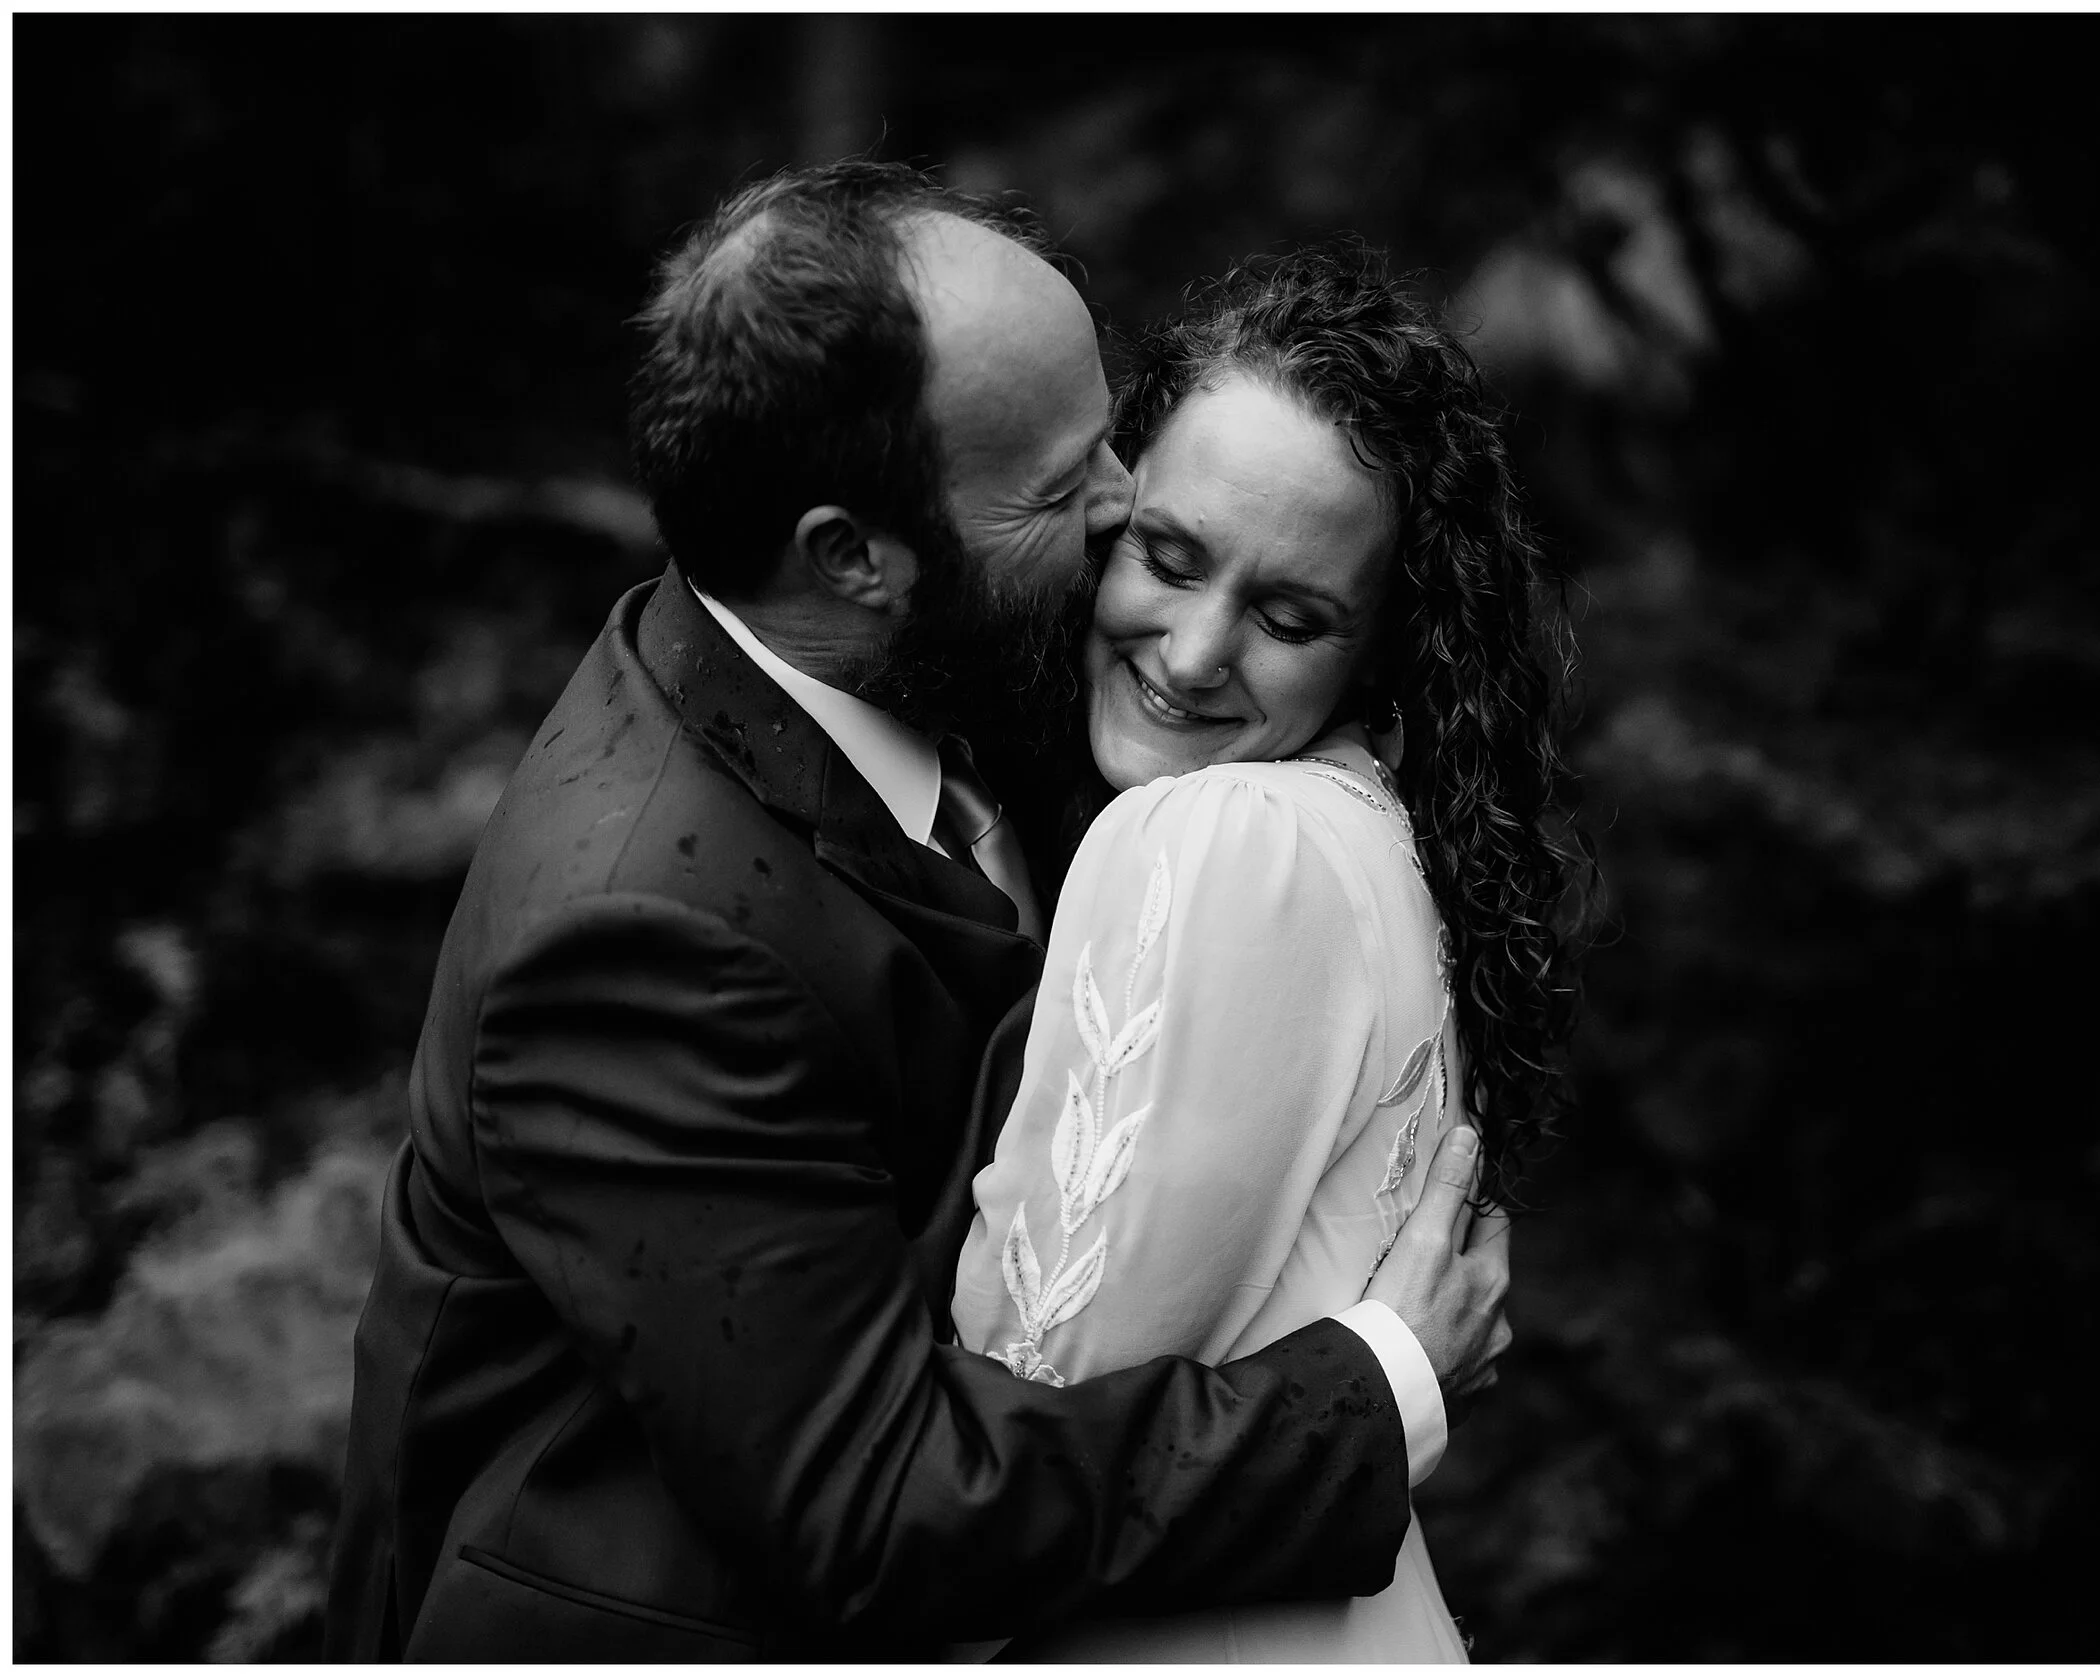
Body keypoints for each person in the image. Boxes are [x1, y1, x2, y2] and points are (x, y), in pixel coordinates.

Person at [322, 163, 1511, 1662]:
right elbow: (871, 1506)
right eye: (1067, 476)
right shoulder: (639, 937)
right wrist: (1372, 1391)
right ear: (854, 557)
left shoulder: (959, 660)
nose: (1129, 501)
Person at [951, 244, 1583, 1661]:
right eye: (1166, 560)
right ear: (1104, 507)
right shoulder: (1372, 837)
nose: (1189, 654)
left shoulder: (1222, 837)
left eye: (1289, 618)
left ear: (1376, 653)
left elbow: (1031, 1410)